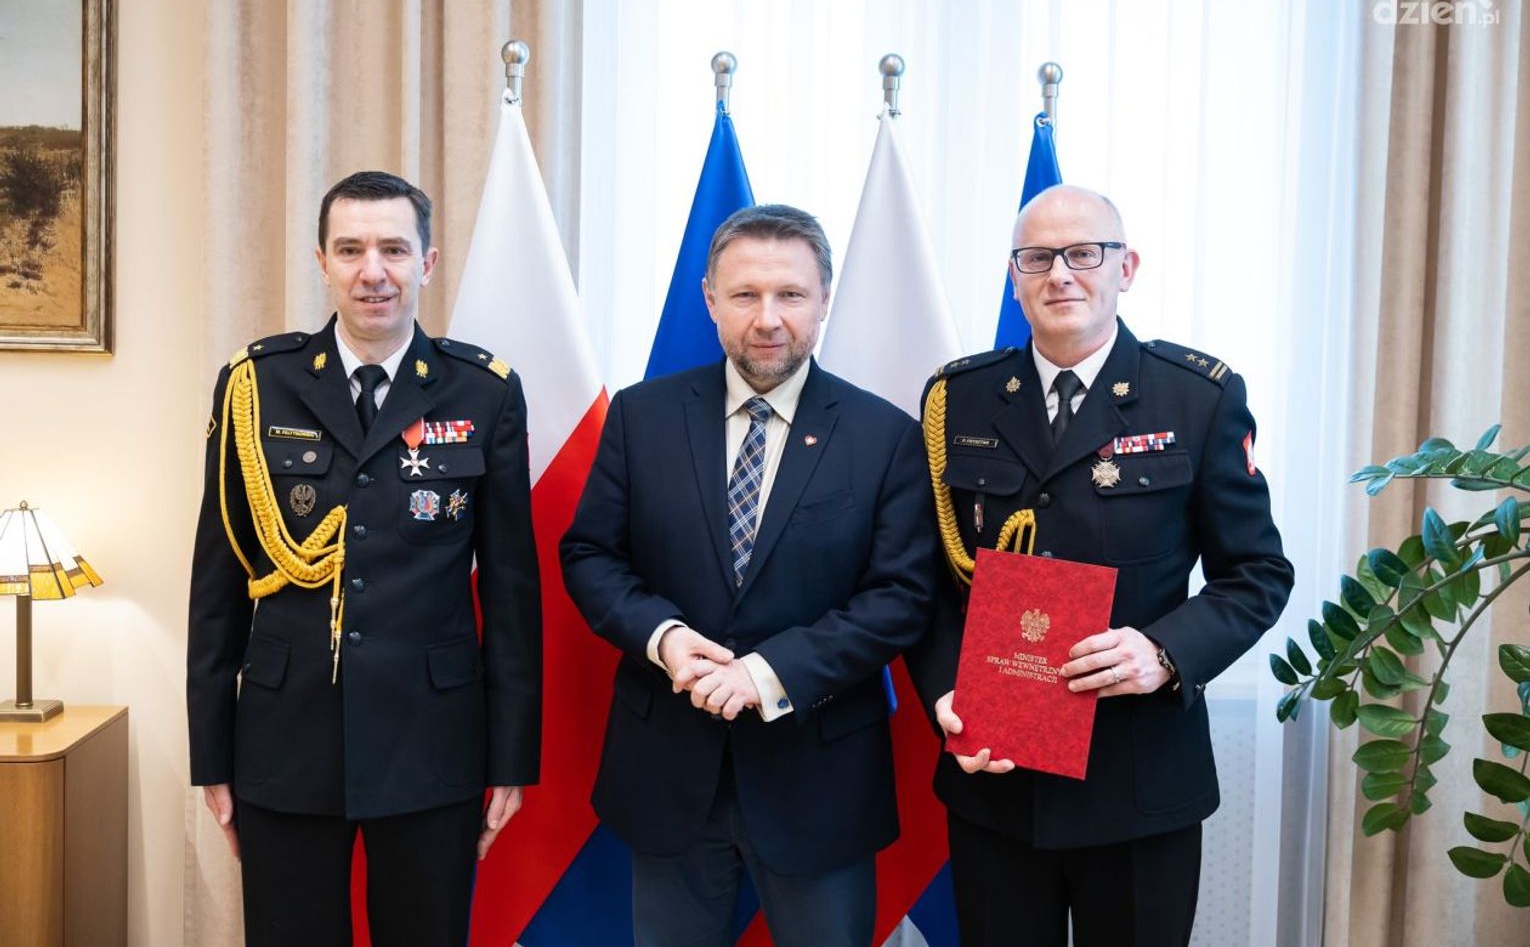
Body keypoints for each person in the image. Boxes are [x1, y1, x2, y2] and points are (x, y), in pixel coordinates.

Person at [908, 185, 1294, 946]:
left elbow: (1257, 573)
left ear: (1127, 268)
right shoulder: (959, 398)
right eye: (1037, 258)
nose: (1060, 274)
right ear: (1014, 277)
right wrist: (947, 690)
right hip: (997, 781)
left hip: (1138, 781)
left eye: (1084, 253)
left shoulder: (1196, 398)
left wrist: (1164, 652)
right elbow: (925, 583)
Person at [560, 204, 938, 947]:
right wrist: (664, 638)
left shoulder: (886, 435)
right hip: (669, 772)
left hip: (819, 779)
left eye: (790, 294)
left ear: (823, 300)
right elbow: (590, 555)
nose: (768, 319)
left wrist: (767, 673)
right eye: (744, 295)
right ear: (710, 299)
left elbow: (900, 597)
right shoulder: (642, 416)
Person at [186, 170, 541, 946]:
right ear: (322, 262)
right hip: (285, 737)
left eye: (393, 249)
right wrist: (209, 754)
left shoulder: (483, 392)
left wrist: (511, 757)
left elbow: (512, 590)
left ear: (428, 262)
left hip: (432, 739)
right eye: (350, 250)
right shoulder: (255, 386)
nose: (372, 271)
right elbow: (218, 584)